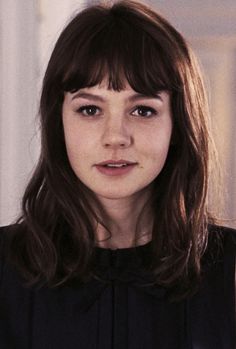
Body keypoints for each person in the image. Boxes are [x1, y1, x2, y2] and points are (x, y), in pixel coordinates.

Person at [0, 1, 235, 348]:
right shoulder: (5, 271)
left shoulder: (228, 272)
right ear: (58, 121)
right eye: (90, 109)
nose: (115, 136)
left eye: (143, 110)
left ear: (179, 123)